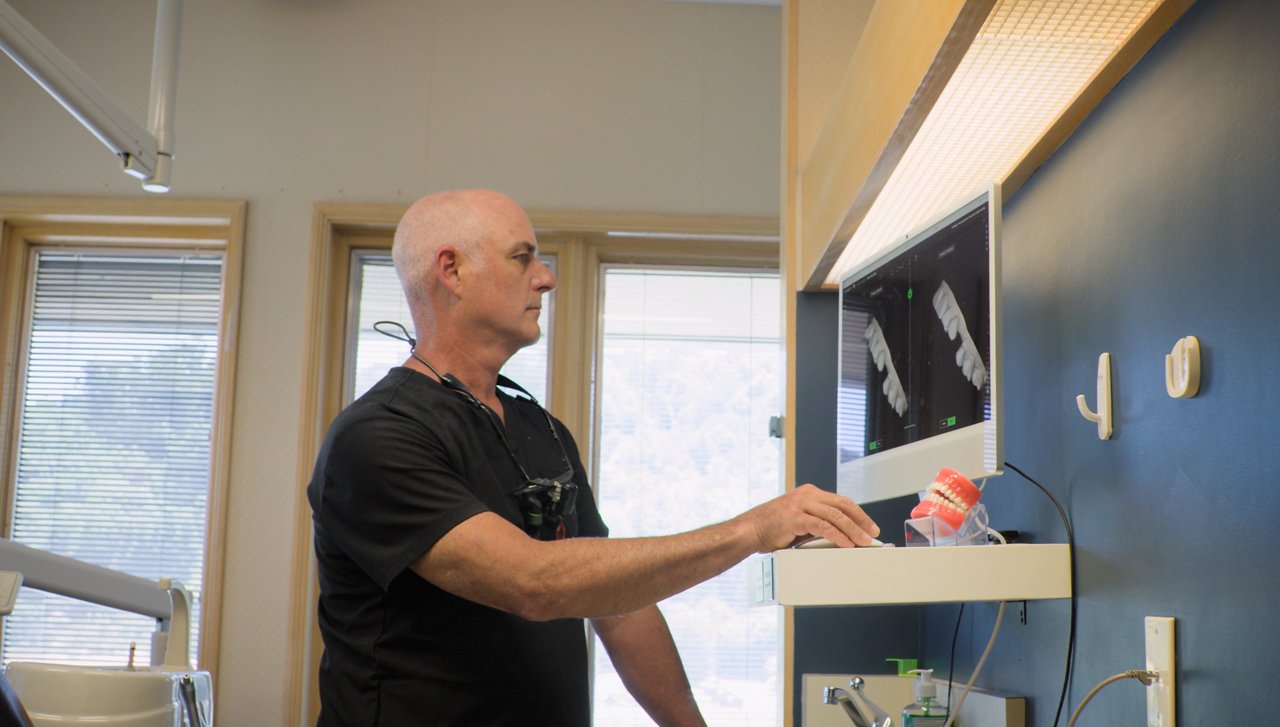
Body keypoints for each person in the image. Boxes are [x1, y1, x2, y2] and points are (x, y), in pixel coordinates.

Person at [307, 189, 880, 726]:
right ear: (451, 270)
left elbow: (618, 609)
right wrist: (751, 530)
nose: (546, 278)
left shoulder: (540, 429)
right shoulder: (378, 436)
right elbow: (533, 583)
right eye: (523, 258)